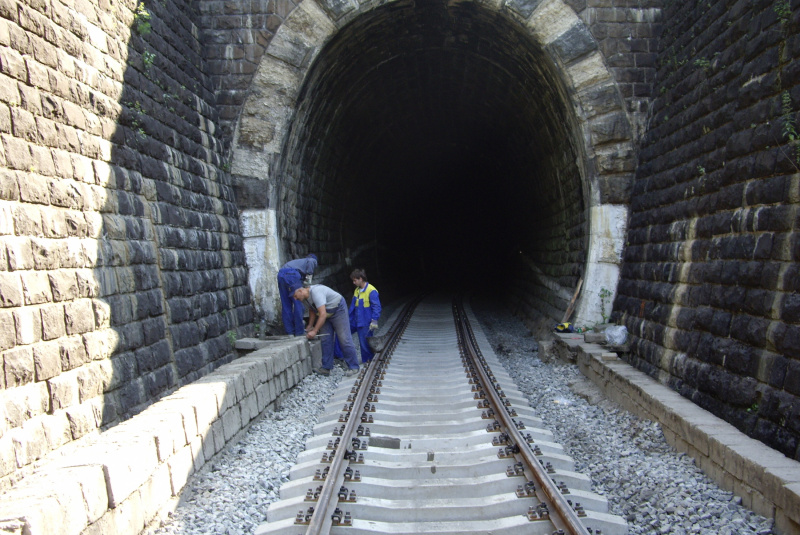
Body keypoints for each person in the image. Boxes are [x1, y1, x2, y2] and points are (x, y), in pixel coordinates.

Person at [293, 284, 361, 376]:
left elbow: (322, 314)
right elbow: (312, 309)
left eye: (296, 296)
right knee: (325, 339)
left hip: (337, 309)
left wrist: (315, 330)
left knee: (344, 338)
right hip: (325, 312)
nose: (295, 299)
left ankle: (354, 366)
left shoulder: (316, 293)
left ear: (301, 291)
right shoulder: (305, 298)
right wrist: (310, 326)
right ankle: (326, 367)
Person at [277, 254, 317, 335]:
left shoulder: (298, 263)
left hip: (281, 275)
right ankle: (299, 332)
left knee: (286, 305)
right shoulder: (312, 260)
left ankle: (290, 332)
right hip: (292, 274)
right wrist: (308, 284)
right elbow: (311, 262)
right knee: (298, 303)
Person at [349, 269, 381, 363]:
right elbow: (353, 307)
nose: (353, 282)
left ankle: (368, 361)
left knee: (365, 343)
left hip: (366, 321)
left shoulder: (371, 290)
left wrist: (374, 320)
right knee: (361, 342)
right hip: (357, 320)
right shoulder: (357, 290)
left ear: (361, 279)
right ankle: (366, 360)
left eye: (355, 280)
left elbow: (377, 307)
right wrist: (349, 319)